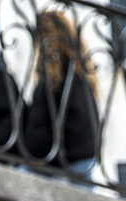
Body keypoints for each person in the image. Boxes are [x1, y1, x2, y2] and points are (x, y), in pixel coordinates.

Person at [21, 10, 100, 176]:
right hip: (80, 156)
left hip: (68, 160)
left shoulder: (58, 77)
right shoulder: (77, 70)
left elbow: (52, 122)